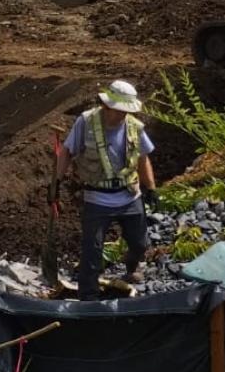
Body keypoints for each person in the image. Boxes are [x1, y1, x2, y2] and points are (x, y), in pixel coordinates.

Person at [55, 79, 158, 300]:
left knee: (140, 244)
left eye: (125, 111)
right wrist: (56, 182)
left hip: (129, 195)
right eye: (118, 110)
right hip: (97, 198)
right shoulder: (86, 122)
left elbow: (143, 158)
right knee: (92, 251)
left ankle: (131, 267)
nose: (122, 115)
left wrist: (151, 188)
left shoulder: (134, 127)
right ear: (107, 106)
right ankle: (88, 296)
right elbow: (66, 152)